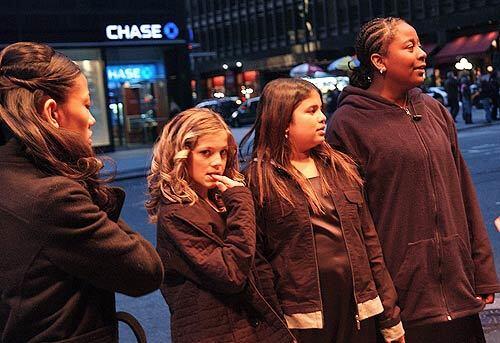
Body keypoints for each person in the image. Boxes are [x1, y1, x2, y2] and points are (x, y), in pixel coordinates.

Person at [327, 17, 500, 342]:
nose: (422, 54)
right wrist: (379, 297)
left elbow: (463, 190)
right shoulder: (348, 124)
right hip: (402, 299)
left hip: (459, 289)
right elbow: (353, 223)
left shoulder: (434, 110)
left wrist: (483, 269)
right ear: (379, 61)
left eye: (420, 45)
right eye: (410, 47)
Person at [0, 42, 164, 342]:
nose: (91, 120)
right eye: (86, 105)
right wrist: (81, 173)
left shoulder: (10, 175)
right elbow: (146, 270)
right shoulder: (54, 196)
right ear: (52, 112)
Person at [242, 78, 405, 343]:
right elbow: (258, 266)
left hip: (359, 312)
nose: (322, 117)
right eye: (310, 110)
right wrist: (276, 332)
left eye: (320, 108)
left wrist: (390, 316)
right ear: (283, 120)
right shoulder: (259, 181)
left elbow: (369, 245)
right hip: (303, 322)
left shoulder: (340, 168)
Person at [146, 108, 295, 343]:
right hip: (217, 333)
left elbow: (258, 267)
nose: (217, 162)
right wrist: (242, 203)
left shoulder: (219, 199)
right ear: (181, 154)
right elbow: (231, 273)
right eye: (206, 152)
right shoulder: (177, 214)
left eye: (223, 153)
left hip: (250, 327)